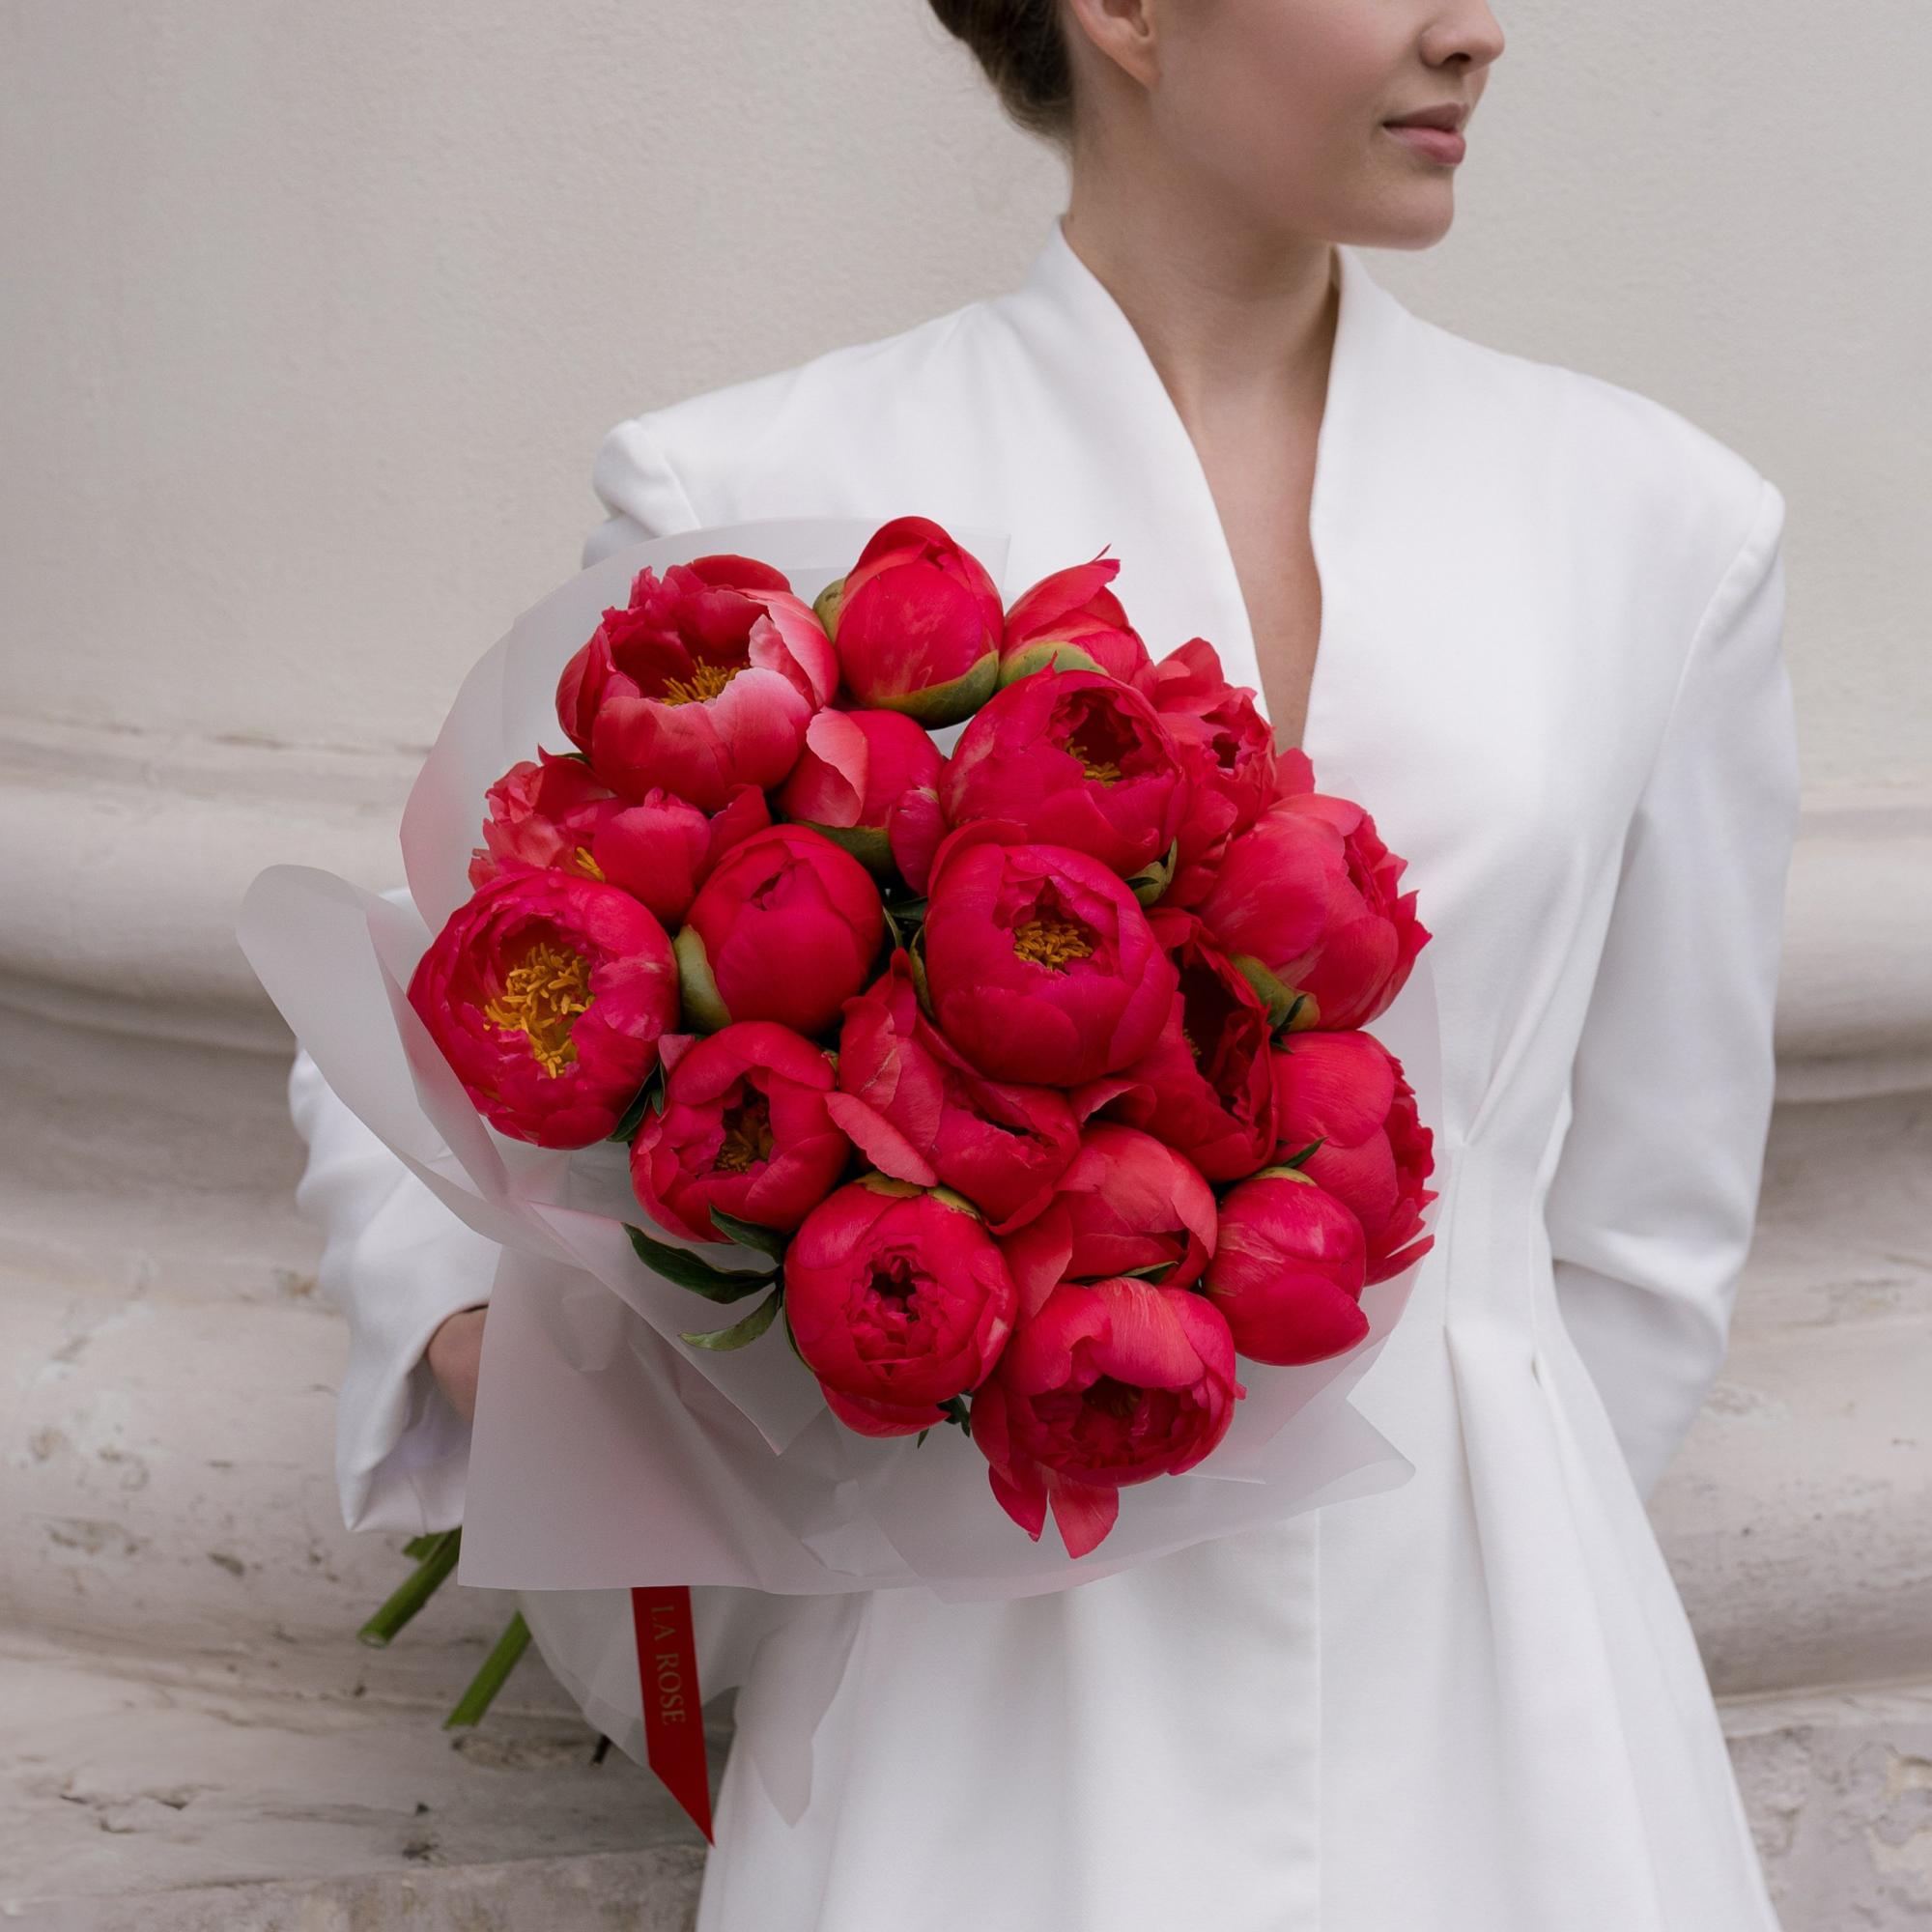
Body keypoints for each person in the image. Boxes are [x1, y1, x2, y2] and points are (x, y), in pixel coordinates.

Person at [287, 0, 1801, 1923]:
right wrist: (504, 1335)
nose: (1475, 30)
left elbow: (1651, 1229)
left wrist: (1497, 1505)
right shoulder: (757, 484)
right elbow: (491, 982)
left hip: (1508, 1692)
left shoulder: (1660, 525)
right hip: (967, 1684)